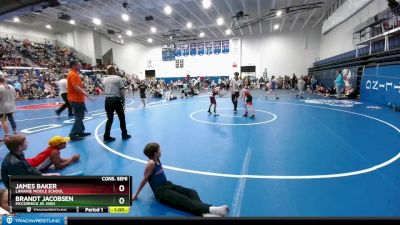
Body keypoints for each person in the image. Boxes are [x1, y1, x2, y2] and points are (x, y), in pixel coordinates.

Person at [132, 143, 229, 217]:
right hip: (161, 192)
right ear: (155, 153)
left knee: (192, 192)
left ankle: (204, 214)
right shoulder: (151, 164)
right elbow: (145, 179)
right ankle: (212, 209)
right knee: (183, 200)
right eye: (159, 150)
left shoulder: (157, 160)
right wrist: (136, 195)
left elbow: (154, 177)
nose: (161, 151)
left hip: (167, 185)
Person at [102, 65, 131, 143]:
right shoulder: (118, 78)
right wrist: (123, 101)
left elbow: (104, 89)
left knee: (109, 119)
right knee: (121, 118)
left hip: (107, 100)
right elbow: (122, 91)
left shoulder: (104, 79)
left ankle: (106, 137)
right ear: (114, 70)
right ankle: (124, 135)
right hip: (116, 100)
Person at [67, 61, 91, 141]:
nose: (80, 66)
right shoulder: (73, 74)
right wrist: (86, 94)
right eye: (79, 65)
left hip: (77, 98)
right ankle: (73, 134)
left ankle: (80, 131)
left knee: (80, 116)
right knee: (79, 117)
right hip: (76, 99)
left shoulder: (74, 73)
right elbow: (76, 87)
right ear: (74, 65)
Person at [0, 76, 17, 141]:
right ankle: (15, 131)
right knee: (11, 118)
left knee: (3, 121)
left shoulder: (0, 87)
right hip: (11, 106)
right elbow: (15, 95)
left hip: (3, 107)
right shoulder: (11, 86)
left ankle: (7, 134)